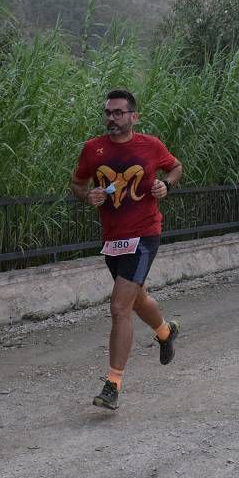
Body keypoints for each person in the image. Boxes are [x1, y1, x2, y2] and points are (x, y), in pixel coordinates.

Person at [71, 89, 183, 410]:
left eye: (119, 113)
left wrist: (167, 184)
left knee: (119, 306)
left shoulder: (151, 145)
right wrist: (87, 195)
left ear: (134, 116)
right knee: (137, 299)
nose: (112, 118)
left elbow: (176, 167)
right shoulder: (93, 149)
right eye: (108, 113)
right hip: (113, 239)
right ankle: (165, 332)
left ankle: (113, 384)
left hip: (145, 234)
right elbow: (77, 183)